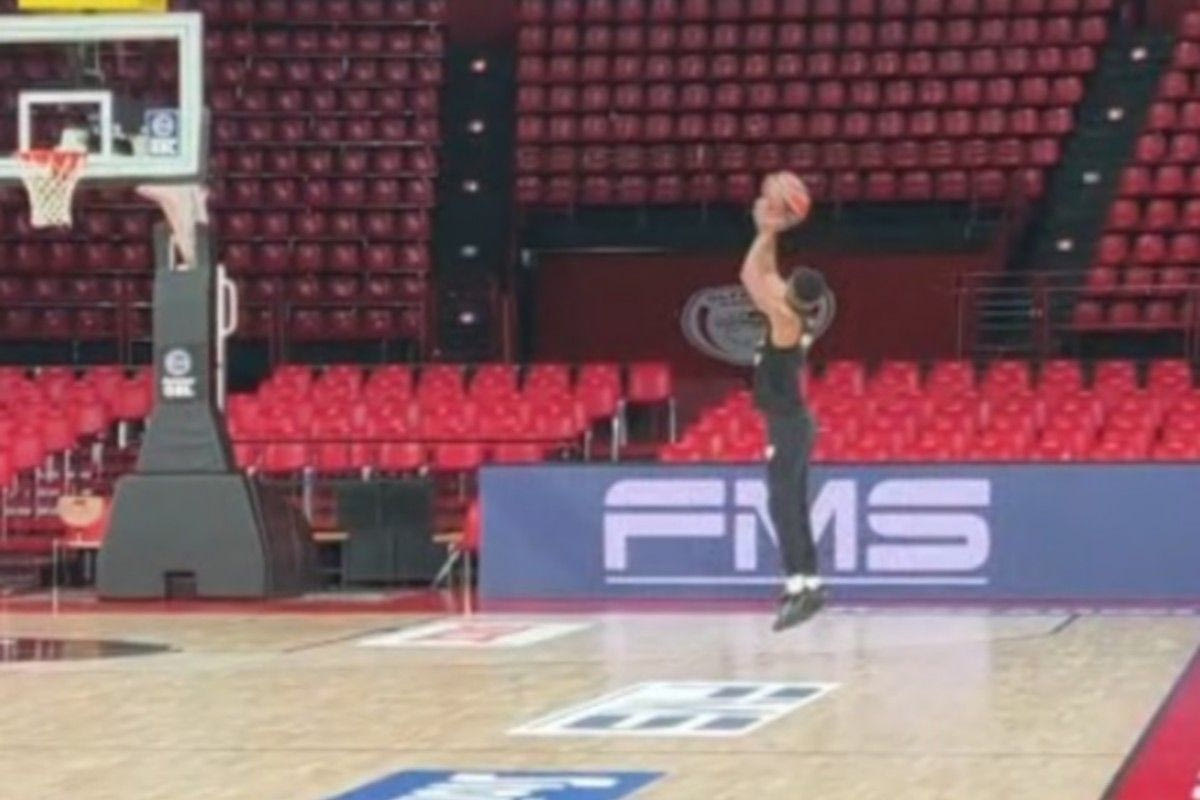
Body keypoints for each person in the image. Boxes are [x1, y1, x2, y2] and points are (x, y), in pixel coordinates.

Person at [740, 173, 833, 632]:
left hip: (789, 424)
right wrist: (770, 235)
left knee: (784, 506)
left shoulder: (784, 320)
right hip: (792, 421)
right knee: (789, 504)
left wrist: (767, 230)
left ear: (794, 294)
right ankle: (805, 585)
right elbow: (768, 274)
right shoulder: (794, 311)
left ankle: (803, 586)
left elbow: (750, 277)